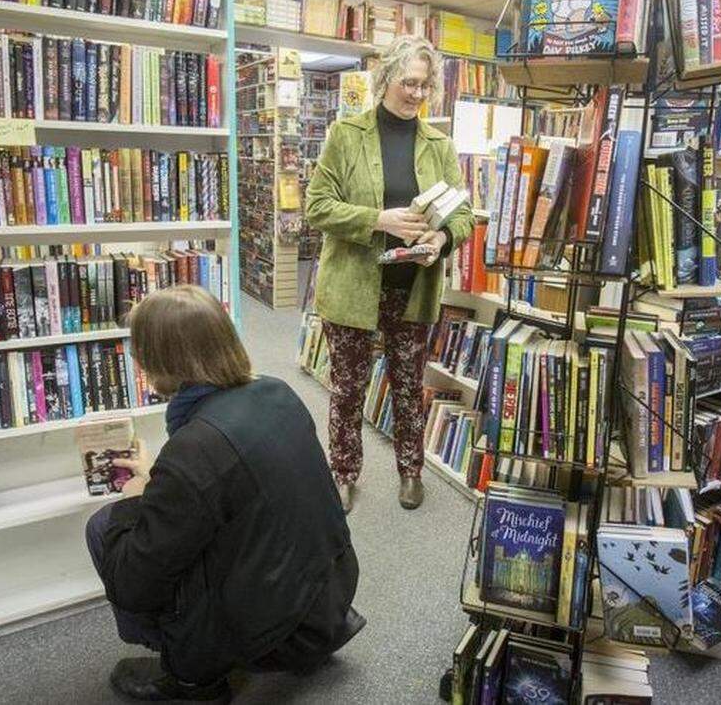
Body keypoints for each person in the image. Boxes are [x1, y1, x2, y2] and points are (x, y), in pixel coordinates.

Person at [85, 285, 364, 702]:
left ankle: (191, 679)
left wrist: (135, 497)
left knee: (104, 526)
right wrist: (164, 479)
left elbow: (131, 587)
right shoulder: (277, 391)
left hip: (273, 630)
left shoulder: (194, 450)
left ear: (158, 361)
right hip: (329, 599)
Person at [305, 34, 474, 514]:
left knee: (406, 385)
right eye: (408, 82)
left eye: (425, 85)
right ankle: (343, 474)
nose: (416, 94)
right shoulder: (346, 135)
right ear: (386, 79)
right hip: (354, 287)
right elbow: (318, 207)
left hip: (412, 287)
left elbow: (463, 213)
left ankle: (410, 471)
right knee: (348, 388)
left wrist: (441, 240)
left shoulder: (439, 145)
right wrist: (379, 219)